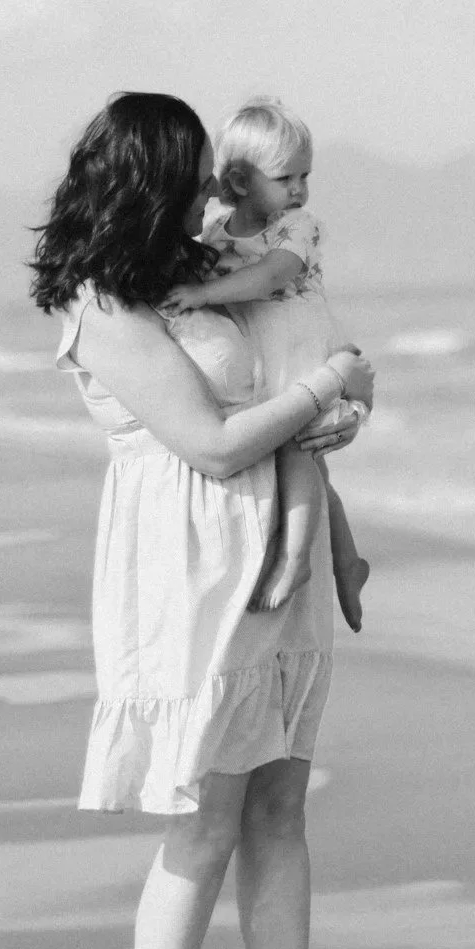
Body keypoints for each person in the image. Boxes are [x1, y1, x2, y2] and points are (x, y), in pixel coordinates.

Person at [29, 91, 376, 949]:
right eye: (187, 173)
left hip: (277, 550)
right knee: (207, 818)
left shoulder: (187, 269)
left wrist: (339, 437)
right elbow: (216, 440)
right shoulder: (102, 300)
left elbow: (282, 370)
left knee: (279, 805)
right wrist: (326, 393)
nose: (205, 191)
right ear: (144, 179)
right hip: (192, 570)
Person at [163, 97, 370, 629]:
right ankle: (347, 562)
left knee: (298, 448)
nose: (299, 189)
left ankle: (297, 559)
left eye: (305, 175)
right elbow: (217, 265)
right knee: (313, 468)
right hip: (265, 348)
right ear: (238, 180)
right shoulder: (216, 228)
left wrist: (203, 295)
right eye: (284, 178)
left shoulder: (297, 226)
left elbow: (270, 277)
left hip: (297, 340)